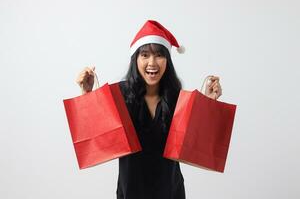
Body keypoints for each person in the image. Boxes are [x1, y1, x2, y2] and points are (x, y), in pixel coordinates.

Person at [76, 20, 222, 199]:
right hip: (130, 192)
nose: (152, 62)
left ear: (167, 60)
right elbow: (96, 137)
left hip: (171, 192)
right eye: (144, 55)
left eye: (159, 55)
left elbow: (197, 144)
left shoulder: (178, 98)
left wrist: (208, 103)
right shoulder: (119, 94)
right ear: (135, 59)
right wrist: (87, 94)